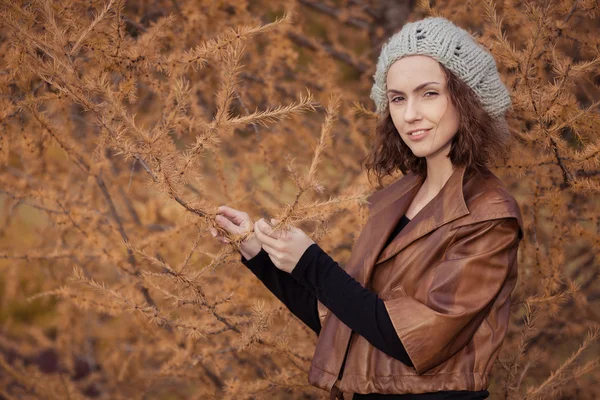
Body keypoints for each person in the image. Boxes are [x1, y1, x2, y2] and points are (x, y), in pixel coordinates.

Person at [210, 17, 524, 400]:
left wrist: (310, 261)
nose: (410, 114)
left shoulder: (489, 214)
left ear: (466, 97)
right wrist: (259, 254)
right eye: (397, 98)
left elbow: (414, 340)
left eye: (428, 94)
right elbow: (348, 321)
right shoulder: (395, 198)